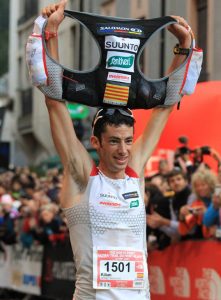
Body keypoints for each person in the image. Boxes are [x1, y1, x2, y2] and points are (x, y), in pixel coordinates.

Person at [38, 1, 192, 299]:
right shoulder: (82, 175)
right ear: (96, 143)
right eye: (113, 141)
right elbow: (54, 101)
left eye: (128, 141)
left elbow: (165, 106)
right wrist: (52, 33)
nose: (123, 151)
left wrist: (183, 46)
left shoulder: (135, 173)